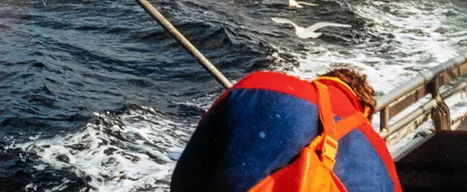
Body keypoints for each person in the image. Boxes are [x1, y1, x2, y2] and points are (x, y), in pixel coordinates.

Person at [171, 68, 402, 191]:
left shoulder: (261, 83)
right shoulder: (381, 156)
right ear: (365, 114)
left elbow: (187, 173)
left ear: (320, 81)